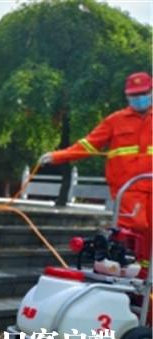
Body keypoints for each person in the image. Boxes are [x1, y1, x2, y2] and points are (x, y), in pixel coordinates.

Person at [39, 71, 152, 277]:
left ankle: (146, 279)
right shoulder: (116, 121)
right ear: (127, 96)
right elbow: (88, 145)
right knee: (135, 229)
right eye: (134, 95)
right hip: (129, 189)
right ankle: (132, 274)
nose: (139, 98)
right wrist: (58, 156)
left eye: (143, 93)